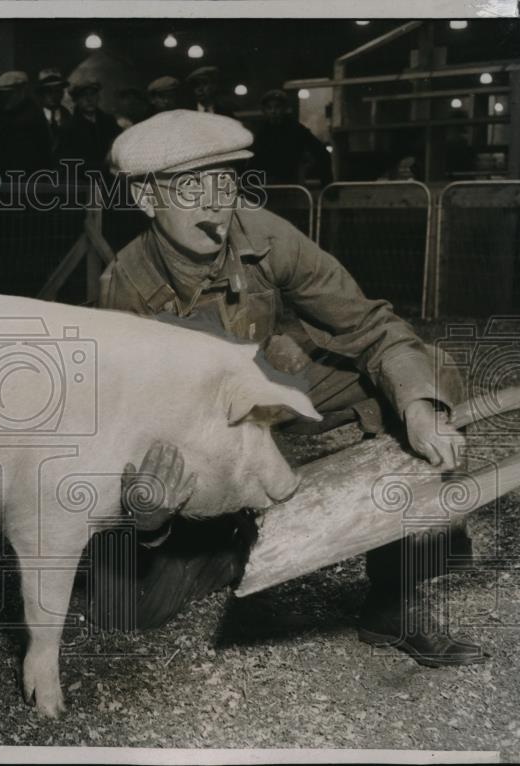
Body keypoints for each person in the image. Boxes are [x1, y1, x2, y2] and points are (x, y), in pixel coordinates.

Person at [95, 109, 483, 668]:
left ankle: (395, 600)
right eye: (187, 188)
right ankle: (230, 541)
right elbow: (124, 435)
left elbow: (369, 325)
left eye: (224, 182)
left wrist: (419, 407)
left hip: (273, 392)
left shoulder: (266, 233)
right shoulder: (123, 293)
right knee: (123, 607)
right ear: (145, 199)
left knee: (429, 373)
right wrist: (150, 519)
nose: (213, 204)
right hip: (198, 430)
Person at [249, 89, 333, 186]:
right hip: (267, 184)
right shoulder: (260, 132)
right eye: (269, 108)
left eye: (277, 107)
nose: (273, 111)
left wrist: (327, 185)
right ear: (264, 110)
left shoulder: (296, 129)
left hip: (291, 182)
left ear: (284, 109)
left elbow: (321, 151)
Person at [0, 70, 54, 173]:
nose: (3, 99)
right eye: (1, 95)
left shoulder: (29, 118)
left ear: (21, 92)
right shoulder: (8, 114)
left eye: (8, 94)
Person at [56, 79, 122, 176]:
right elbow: (67, 161)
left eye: (92, 94)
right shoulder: (68, 128)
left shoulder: (109, 121)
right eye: (83, 95)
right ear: (76, 100)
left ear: (98, 97)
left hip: (110, 179)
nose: (89, 99)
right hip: (83, 181)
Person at [35, 68, 72, 158]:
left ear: (62, 93)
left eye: (57, 90)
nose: (53, 95)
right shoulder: (32, 118)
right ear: (41, 93)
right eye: (48, 90)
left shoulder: (70, 119)